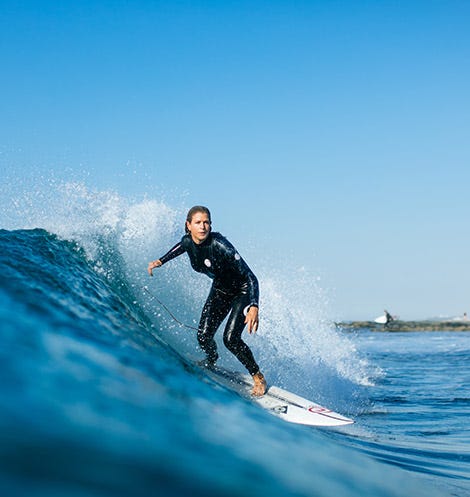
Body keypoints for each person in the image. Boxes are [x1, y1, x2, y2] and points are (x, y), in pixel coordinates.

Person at [147, 206, 267, 397]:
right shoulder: (187, 241)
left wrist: (254, 305)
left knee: (230, 339)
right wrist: (160, 261)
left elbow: (250, 277)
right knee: (203, 336)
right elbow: (181, 248)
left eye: (206, 222)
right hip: (220, 291)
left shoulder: (221, 245)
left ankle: (257, 376)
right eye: (198, 222)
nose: (203, 226)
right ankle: (211, 359)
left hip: (242, 292)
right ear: (189, 225)